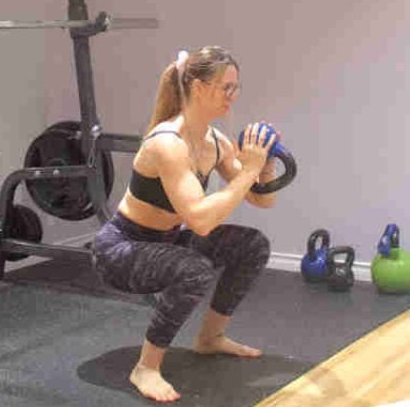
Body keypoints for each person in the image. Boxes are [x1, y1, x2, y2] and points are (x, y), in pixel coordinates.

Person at [90, 46, 279, 403]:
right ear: (199, 87)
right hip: (120, 249)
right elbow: (201, 221)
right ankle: (145, 367)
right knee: (194, 270)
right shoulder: (167, 143)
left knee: (253, 245)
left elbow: (262, 200)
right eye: (226, 87)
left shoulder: (215, 142)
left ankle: (210, 338)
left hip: (166, 241)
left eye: (235, 87)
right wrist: (250, 171)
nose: (233, 96)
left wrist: (264, 168)